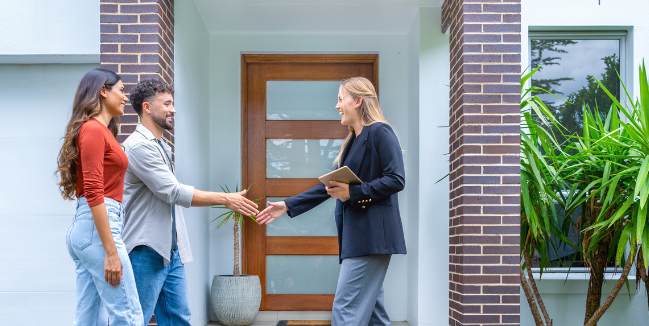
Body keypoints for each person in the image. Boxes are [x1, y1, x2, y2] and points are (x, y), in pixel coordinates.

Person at [255, 77, 406, 326]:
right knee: (374, 314)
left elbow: (396, 179)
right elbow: (330, 187)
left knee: (344, 310)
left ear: (358, 101)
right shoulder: (352, 142)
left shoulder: (380, 131)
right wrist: (288, 204)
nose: (336, 106)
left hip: (372, 238)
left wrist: (353, 193)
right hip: (357, 237)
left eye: (340, 99)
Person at [122, 79, 260, 326]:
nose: (173, 109)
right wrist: (225, 199)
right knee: (135, 320)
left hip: (170, 251)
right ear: (147, 107)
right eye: (167, 104)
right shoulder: (139, 147)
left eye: (172, 103)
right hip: (146, 250)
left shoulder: (161, 145)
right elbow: (172, 192)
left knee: (179, 319)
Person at [56, 68, 143, 326]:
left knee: (89, 317)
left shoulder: (99, 131)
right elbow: (95, 191)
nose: (126, 98)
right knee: (128, 315)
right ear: (103, 91)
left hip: (88, 229)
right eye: (122, 91)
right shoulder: (94, 130)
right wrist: (111, 251)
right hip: (98, 228)